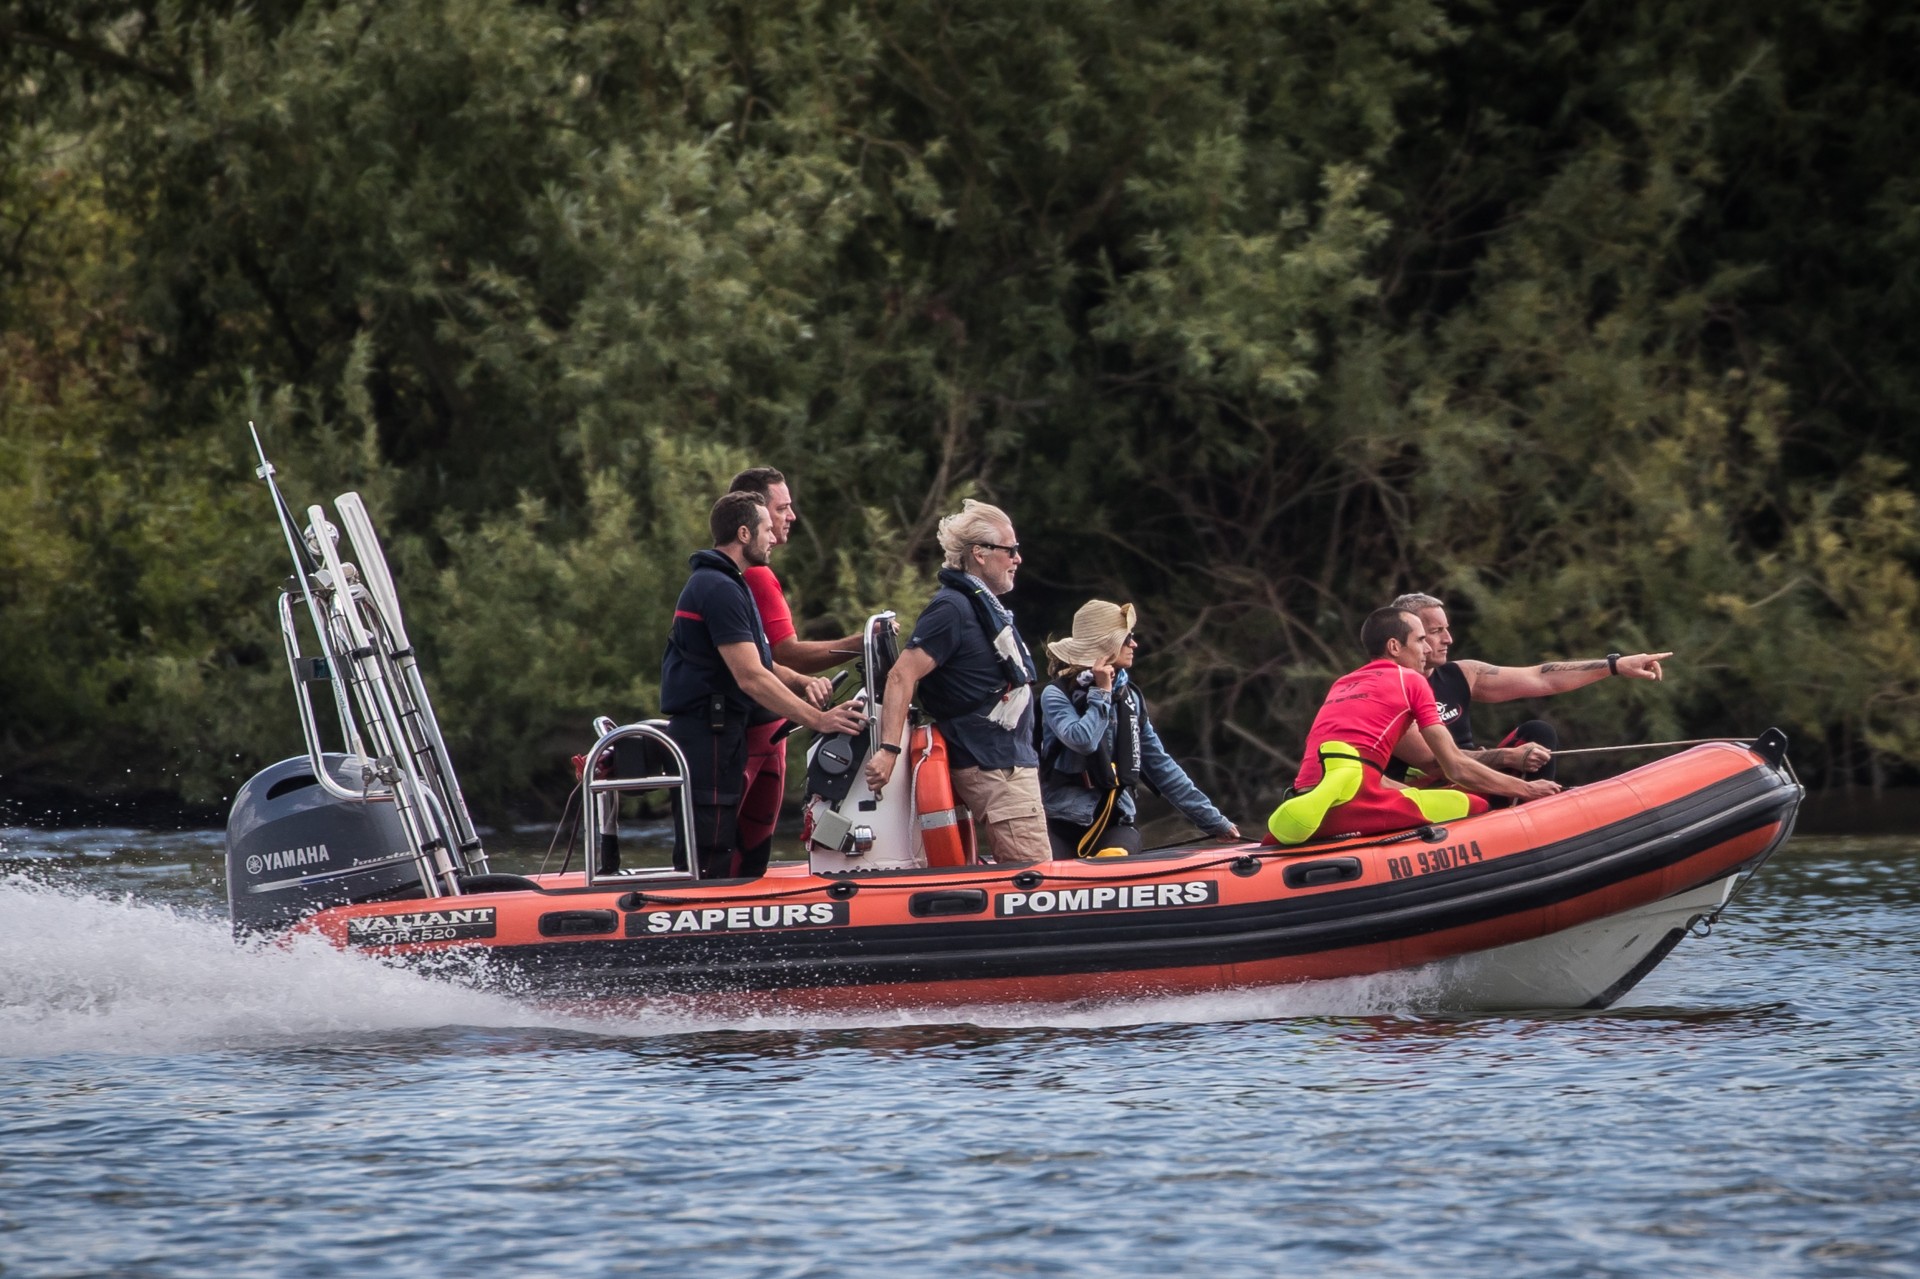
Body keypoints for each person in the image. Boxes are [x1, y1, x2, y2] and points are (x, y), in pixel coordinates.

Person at [659, 492, 868, 879]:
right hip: (708, 733)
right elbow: (750, 676)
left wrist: (802, 682)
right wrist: (819, 720)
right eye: (767, 529)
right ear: (744, 533)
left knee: (733, 846)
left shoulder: (730, 583)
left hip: (723, 732)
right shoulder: (718, 588)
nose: (774, 537)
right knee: (709, 850)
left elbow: (763, 662)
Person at [1267, 607, 1561, 846]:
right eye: (1421, 640)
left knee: (1415, 793)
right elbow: (1455, 766)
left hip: (1307, 796)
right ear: (1395, 646)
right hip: (1352, 804)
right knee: (1474, 805)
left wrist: (1408, 789)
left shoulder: (1343, 683)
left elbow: (1360, 768)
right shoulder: (1411, 680)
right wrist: (1526, 789)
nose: (1428, 648)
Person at [863, 499, 1049, 867]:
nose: (1017, 558)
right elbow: (901, 674)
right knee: (1032, 874)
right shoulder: (953, 608)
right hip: (994, 766)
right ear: (979, 553)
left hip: (1005, 760)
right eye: (1010, 549)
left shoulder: (977, 606)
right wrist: (888, 749)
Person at [726, 467, 866, 868]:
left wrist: (804, 681)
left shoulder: (748, 573)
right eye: (781, 508)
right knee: (742, 842)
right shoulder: (755, 575)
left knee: (752, 843)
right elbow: (787, 653)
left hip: (770, 729)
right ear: (754, 516)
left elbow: (771, 658)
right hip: (753, 731)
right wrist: (860, 644)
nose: (791, 517)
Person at [1386, 592, 1673, 786]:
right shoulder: (1389, 692)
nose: (1448, 639)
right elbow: (1437, 764)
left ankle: (1536, 821)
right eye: (1436, 632)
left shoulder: (1462, 673)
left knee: (1538, 732)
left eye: (1446, 629)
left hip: (1479, 777)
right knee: (1516, 755)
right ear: (1409, 637)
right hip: (1435, 790)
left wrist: (1615, 665)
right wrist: (1507, 757)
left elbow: (1541, 678)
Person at [1039, 600, 1240, 858]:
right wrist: (1101, 692)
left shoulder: (1130, 698)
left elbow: (1161, 766)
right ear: (1105, 646)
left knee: (1114, 857)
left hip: (1116, 822)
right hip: (1061, 820)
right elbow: (1083, 740)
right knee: (1046, 864)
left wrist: (1213, 821)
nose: (1134, 644)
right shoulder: (1055, 695)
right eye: (1126, 639)